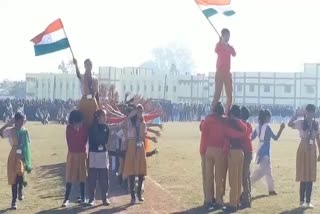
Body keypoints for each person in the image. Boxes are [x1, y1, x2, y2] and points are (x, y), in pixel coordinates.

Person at [201, 102, 245, 210]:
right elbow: (241, 128)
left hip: (209, 149)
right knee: (219, 177)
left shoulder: (209, 119)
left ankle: (208, 199)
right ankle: (219, 200)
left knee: (208, 176)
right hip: (220, 150)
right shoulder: (225, 120)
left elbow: (202, 127)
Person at [288, 104, 320, 208]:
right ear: (306, 112)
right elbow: (289, 124)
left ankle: (308, 201)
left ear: (314, 112)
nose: (310, 114)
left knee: (310, 175)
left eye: (312, 111)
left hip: (312, 150)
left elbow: (318, 138)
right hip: (303, 147)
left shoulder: (316, 123)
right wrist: (296, 114)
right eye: (308, 111)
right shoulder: (301, 122)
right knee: (303, 174)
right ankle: (301, 201)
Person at [0, 112, 32, 210]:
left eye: (23, 120)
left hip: (22, 155)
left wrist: (25, 157)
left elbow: (28, 143)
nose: (23, 122)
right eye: (21, 120)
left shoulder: (25, 131)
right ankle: (14, 201)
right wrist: (8, 124)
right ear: (16, 120)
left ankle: (20, 190)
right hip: (13, 155)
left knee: (21, 174)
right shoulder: (11, 131)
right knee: (13, 178)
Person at [251, 110, 285, 195]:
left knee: (268, 171)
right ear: (267, 117)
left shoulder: (258, 127)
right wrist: (281, 129)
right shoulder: (267, 127)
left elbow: (251, 137)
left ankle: (271, 189)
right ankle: (248, 183)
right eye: (270, 117)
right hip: (265, 150)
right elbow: (275, 138)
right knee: (261, 172)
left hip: (260, 149)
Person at [223, 105, 247, 213]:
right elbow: (245, 130)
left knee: (233, 180)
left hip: (233, 151)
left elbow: (226, 134)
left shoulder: (230, 122)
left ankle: (232, 204)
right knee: (238, 179)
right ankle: (236, 202)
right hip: (241, 152)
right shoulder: (241, 123)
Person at [122, 105, 148, 204]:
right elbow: (123, 125)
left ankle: (139, 194)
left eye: (141, 111)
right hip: (132, 146)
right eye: (138, 111)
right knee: (131, 171)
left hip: (140, 147)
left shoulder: (143, 123)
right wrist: (131, 115)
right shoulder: (130, 122)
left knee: (141, 171)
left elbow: (144, 136)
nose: (140, 113)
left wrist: (144, 148)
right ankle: (132, 196)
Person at [62, 110, 88, 207]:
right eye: (78, 122)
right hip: (72, 154)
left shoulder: (84, 128)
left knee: (82, 176)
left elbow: (84, 141)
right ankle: (66, 199)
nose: (79, 124)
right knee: (70, 176)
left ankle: (83, 197)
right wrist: (76, 130)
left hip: (81, 154)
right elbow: (70, 143)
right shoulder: (69, 128)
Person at [87, 109, 111, 206]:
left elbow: (105, 140)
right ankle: (91, 198)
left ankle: (104, 198)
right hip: (93, 153)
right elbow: (92, 140)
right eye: (104, 115)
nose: (105, 117)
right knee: (92, 177)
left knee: (104, 177)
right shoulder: (92, 127)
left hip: (103, 154)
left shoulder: (106, 127)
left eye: (105, 116)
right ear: (99, 117)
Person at [212, 28, 236, 115]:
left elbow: (234, 54)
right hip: (219, 72)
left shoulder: (229, 46)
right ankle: (213, 111)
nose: (228, 37)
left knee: (230, 95)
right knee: (217, 94)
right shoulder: (219, 45)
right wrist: (221, 42)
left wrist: (227, 46)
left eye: (229, 35)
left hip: (227, 73)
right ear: (222, 36)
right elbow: (216, 50)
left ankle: (227, 113)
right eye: (226, 35)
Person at [73, 58, 99, 127]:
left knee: (93, 122)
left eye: (90, 64)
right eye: (87, 65)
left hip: (93, 101)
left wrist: (98, 104)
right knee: (83, 121)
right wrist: (76, 65)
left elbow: (96, 93)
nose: (89, 66)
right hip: (84, 101)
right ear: (85, 66)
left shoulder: (95, 78)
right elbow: (78, 74)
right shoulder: (82, 77)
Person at [240, 106, 253, 208]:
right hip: (248, 151)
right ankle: (247, 195)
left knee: (244, 176)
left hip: (246, 151)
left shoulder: (243, 125)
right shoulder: (248, 125)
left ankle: (246, 198)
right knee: (246, 175)